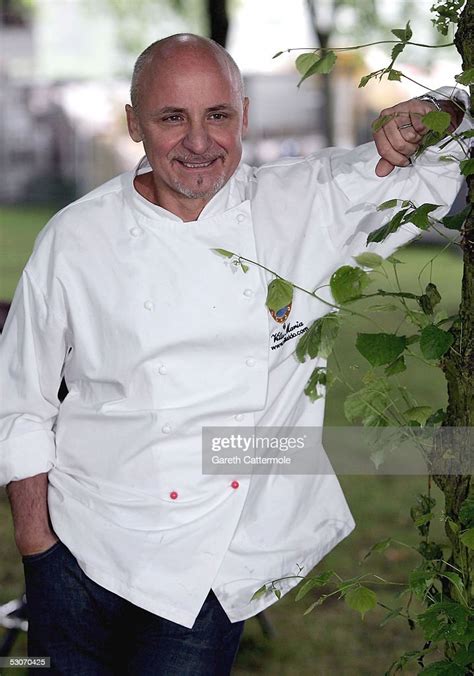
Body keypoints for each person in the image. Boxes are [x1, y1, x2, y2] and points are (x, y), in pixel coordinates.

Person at [0, 33, 470, 676]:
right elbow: (19, 400)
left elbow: (443, 162)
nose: (199, 142)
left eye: (217, 115)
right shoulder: (75, 237)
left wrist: (436, 107)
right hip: (79, 550)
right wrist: (39, 551)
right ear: (134, 123)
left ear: (244, 115)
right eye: (172, 118)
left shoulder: (307, 203)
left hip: (207, 576)